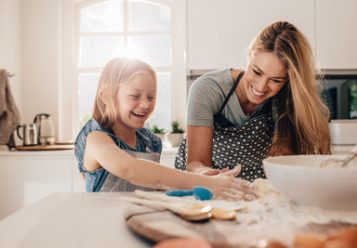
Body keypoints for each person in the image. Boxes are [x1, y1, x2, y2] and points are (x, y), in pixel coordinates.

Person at [74, 58, 255, 200]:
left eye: (151, 97)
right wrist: (204, 182)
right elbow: (130, 169)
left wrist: (200, 176)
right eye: (134, 96)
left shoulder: (149, 142)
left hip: (138, 223)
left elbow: (155, 183)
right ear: (106, 97)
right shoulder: (96, 138)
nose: (145, 104)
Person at [175, 21, 331, 182]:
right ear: (250, 55)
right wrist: (207, 174)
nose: (261, 87)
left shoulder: (287, 100)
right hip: (207, 183)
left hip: (259, 185)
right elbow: (196, 163)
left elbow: (282, 162)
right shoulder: (208, 89)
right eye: (257, 72)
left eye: (276, 80)